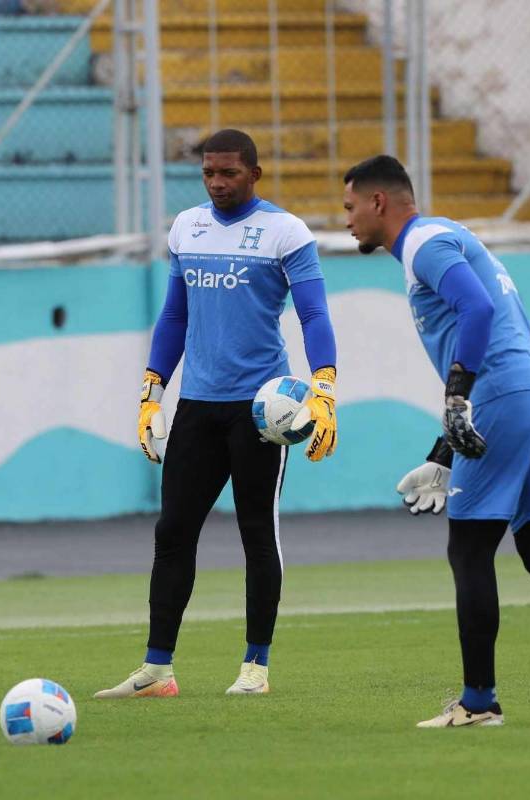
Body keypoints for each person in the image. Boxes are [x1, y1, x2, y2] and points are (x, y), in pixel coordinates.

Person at [341, 154, 530, 727]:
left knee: (469, 551)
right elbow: (496, 327)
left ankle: (478, 702)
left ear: (378, 202)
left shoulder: (422, 243)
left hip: (505, 397)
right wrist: (444, 451)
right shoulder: (450, 236)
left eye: (351, 206)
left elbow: (477, 310)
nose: (347, 219)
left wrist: (458, 396)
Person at [95, 129, 338, 699]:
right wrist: (152, 391)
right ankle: (158, 670)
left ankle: (256, 667)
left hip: (261, 413)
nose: (217, 183)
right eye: (208, 173)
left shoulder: (285, 232)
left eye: (228, 173)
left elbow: (313, 314)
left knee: (257, 533)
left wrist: (324, 387)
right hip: (197, 406)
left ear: (254, 173)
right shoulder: (187, 227)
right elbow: (174, 316)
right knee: (172, 532)